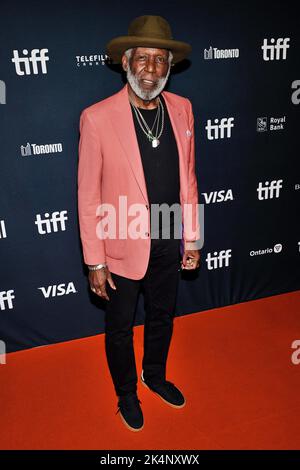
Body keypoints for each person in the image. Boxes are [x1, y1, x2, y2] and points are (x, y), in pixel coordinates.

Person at [77, 15, 201, 432]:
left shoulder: (182, 110)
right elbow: (88, 196)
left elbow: (189, 178)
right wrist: (95, 261)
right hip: (122, 240)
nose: (151, 69)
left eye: (160, 60)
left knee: (163, 315)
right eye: (143, 59)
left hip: (168, 233)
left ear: (170, 66)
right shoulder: (96, 118)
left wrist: (193, 237)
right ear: (126, 62)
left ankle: (156, 375)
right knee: (120, 327)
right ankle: (126, 393)